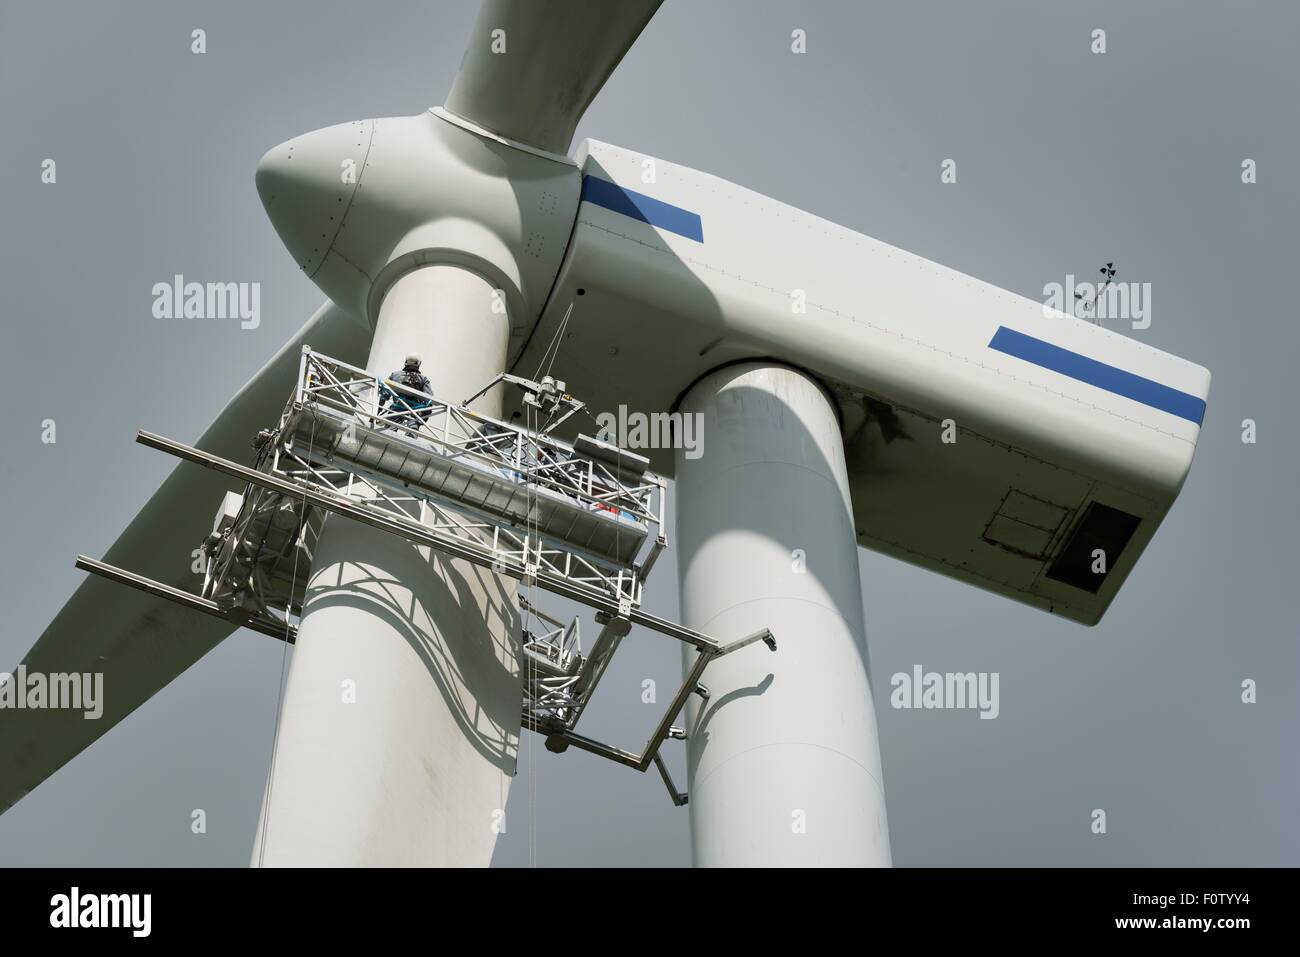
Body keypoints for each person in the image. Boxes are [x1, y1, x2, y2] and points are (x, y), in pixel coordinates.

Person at [378, 352, 433, 431]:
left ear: (406, 362)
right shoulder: (423, 379)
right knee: (412, 433)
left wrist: (377, 411)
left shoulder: (395, 375)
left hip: (397, 409)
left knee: (388, 431)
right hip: (415, 412)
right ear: (419, 364)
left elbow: (384, 394)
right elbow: (429, 399)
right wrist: (425, 416)